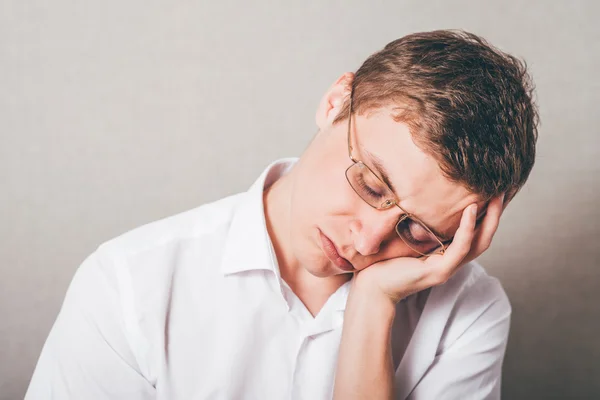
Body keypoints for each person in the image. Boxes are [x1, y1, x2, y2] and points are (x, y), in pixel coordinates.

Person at [25, 29, 538, 399]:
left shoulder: (469, 312)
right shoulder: (129, 285)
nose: (369, 241)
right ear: (337, 101)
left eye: (419, 230)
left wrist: (373, 305)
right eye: (371, 183)